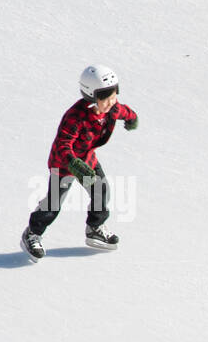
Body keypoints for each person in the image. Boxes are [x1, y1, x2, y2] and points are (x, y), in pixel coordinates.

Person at [21, 65, 139, 260]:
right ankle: (32, 233)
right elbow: (63, 144)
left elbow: (123, 111)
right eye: (106, 98)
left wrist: (132, 118)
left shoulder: (112, 108)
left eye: (114, 95)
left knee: (101, 191)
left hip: (88, 158)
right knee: (53, 203)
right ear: (92, 96)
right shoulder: (75, 117)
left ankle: (95, 228)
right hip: (64, 164)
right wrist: (73, 164)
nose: (112, 102)